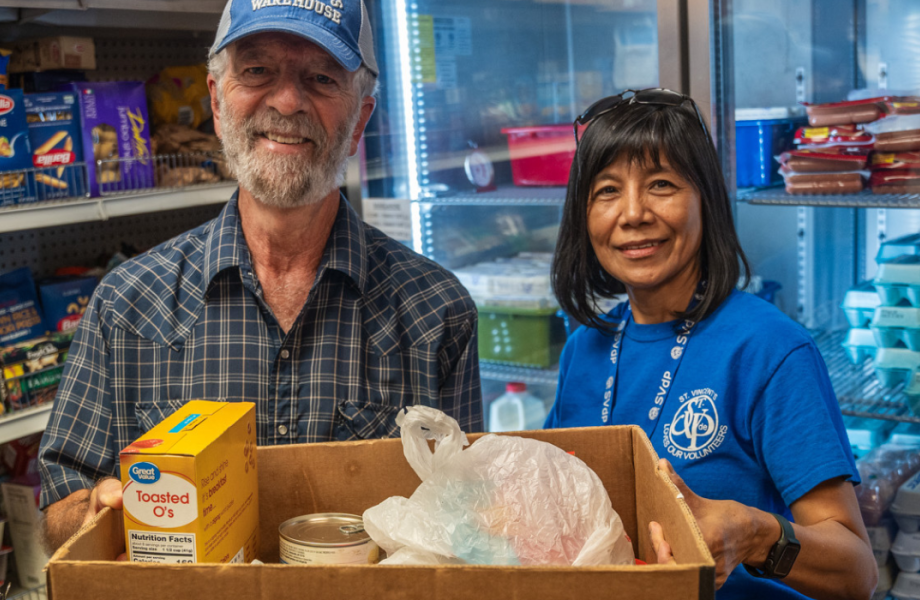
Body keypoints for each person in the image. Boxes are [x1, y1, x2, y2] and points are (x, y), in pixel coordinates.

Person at [38, 0, 482, 552]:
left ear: (359, 119)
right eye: (256, 71)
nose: (288, 101)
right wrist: (99, 512)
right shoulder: (126, 304)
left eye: (321, 78)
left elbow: (469, 530)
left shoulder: (437, 311)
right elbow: (58, 514)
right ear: (218, 104)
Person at [545, 88, 878, 599]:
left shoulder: (769, 349)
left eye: (660, 184)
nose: (632, 213)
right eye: (607, 191)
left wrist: (756, 535)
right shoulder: (583, 349)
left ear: (705, 199)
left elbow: (857, 572)